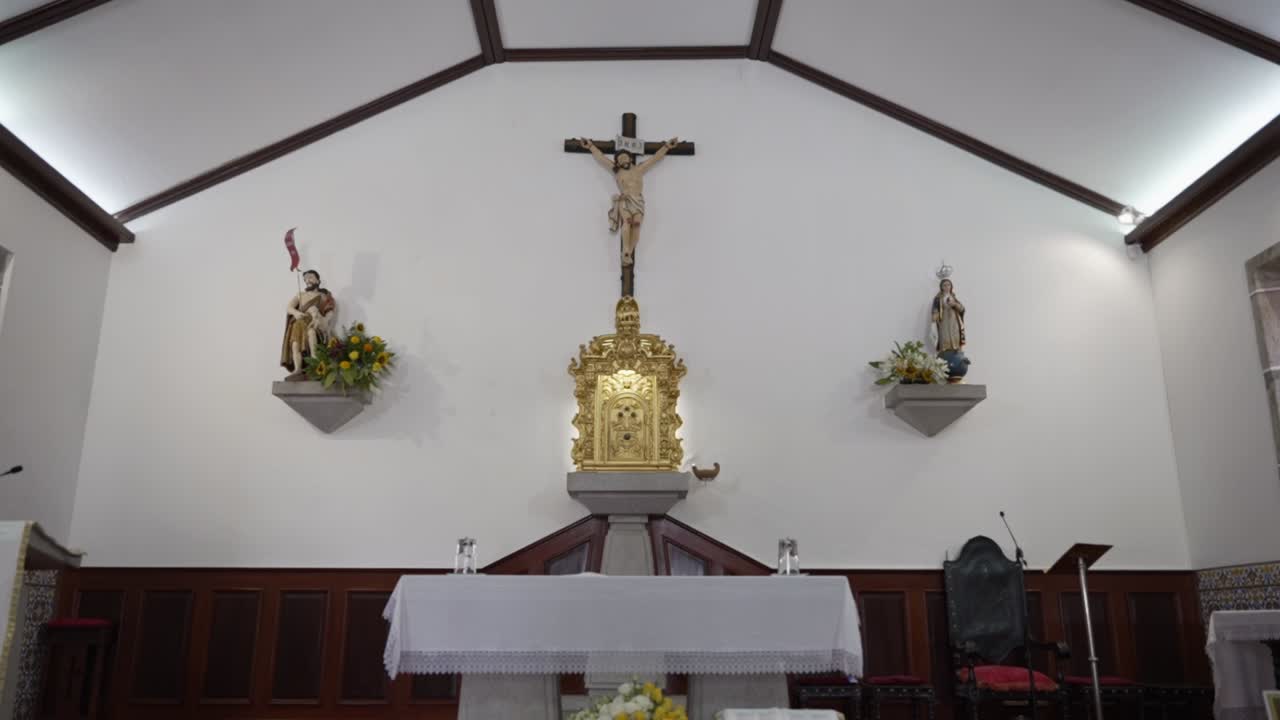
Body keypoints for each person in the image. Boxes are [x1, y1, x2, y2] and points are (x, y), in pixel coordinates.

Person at [280, 269, 337, 379]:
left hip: (313, 323)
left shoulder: (323, 295)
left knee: (311, 334)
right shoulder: (300, 295)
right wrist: (296, 313)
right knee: (295, 345)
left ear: (318, 280)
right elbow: (289, 308)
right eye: (305, 279)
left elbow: (329, 311)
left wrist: (323, 321)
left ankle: (315, 365)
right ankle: (298, 369)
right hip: (299, 323)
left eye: (310, 277)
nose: (307, 280)